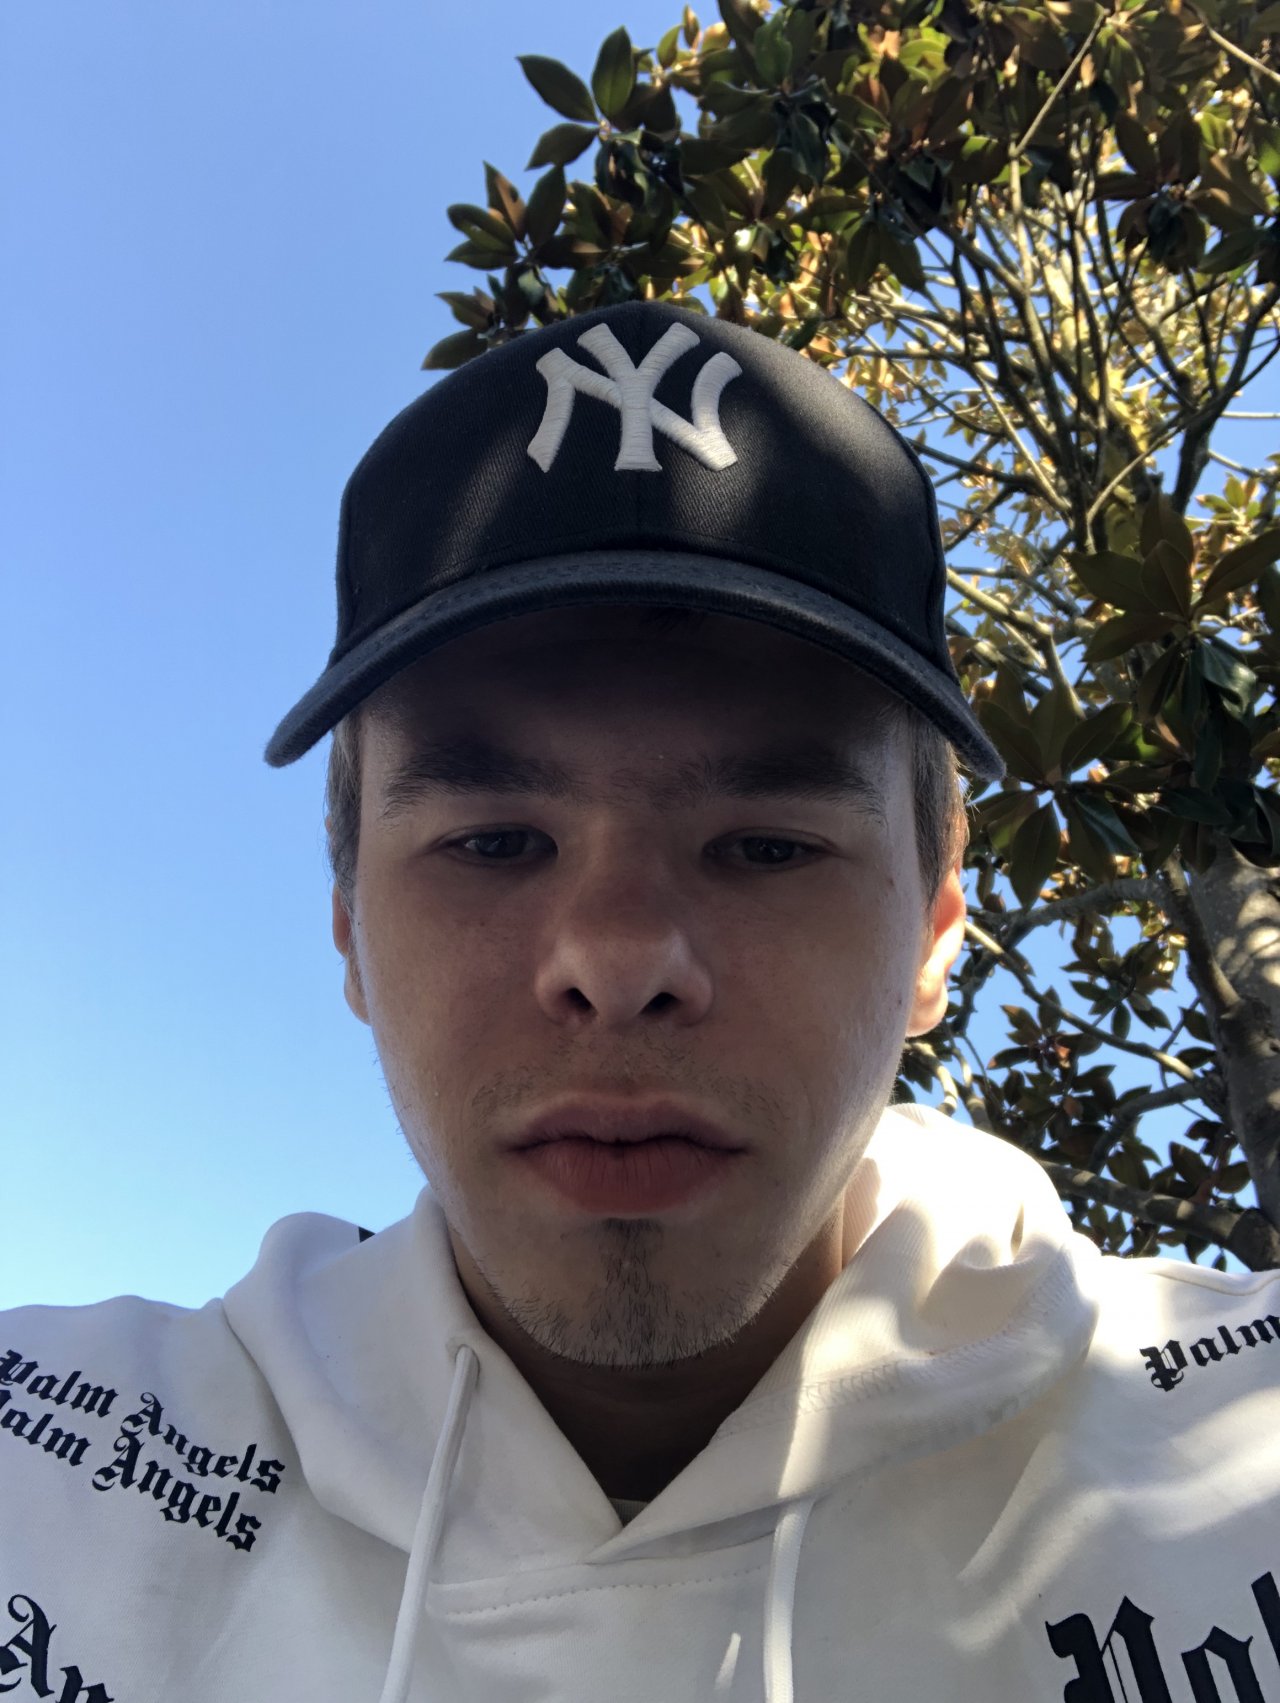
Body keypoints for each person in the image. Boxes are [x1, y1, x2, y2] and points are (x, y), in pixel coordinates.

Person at [2, 301, 1277, 1703]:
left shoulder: (1245, 1437)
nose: (618, 961)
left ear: (932, 930)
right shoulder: (51, 1472)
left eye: (767, 846)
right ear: (349, 926)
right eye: (495, 841)